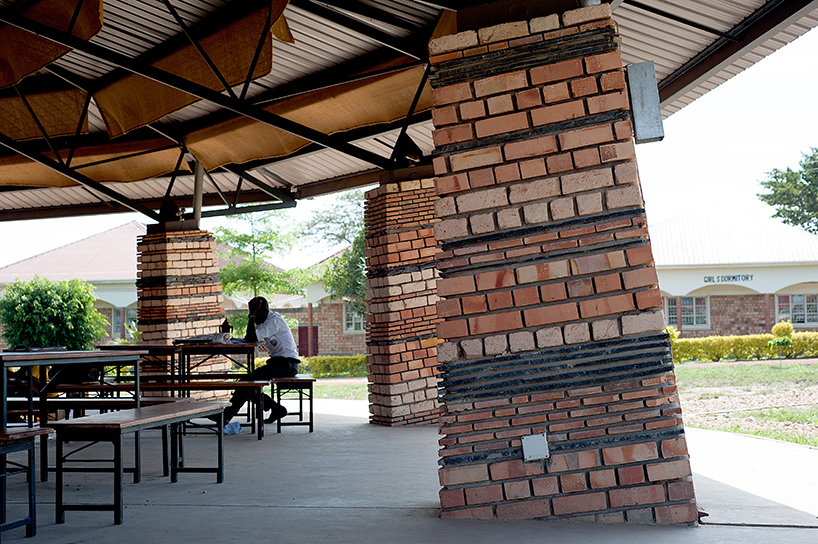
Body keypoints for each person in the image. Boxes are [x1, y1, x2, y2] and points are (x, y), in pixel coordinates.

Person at [221, 296, 299, 424]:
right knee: (249, 383)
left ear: (264, 309)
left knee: (247, 382)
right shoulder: (265, 321)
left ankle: (226, 416)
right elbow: (249, 336)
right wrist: (252, 317)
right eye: (251, 313)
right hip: (278, 363)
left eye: (255, 313)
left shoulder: (274, 321)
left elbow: (251, 338)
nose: (254, 317)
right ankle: (275, 408)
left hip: (287, 365)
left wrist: (252, 318)